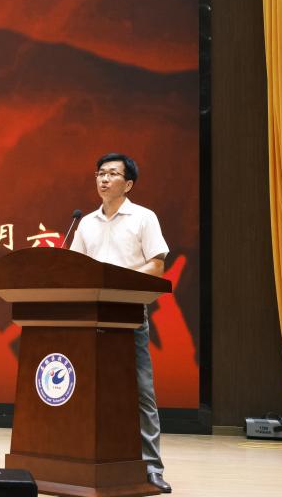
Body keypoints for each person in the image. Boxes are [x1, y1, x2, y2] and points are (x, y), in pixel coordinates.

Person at [69, 152, 172, 494]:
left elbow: (156, 266)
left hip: (129, 317)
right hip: (91, 319)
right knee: (86, 392)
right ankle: (83, 462)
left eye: (112, 173)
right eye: (100, 173)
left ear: (128, 184)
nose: (104, 179)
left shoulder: (144, 218)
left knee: (141, 392)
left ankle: (152, 468)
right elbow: (75, 270)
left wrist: (113, 281)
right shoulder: (86, 223)